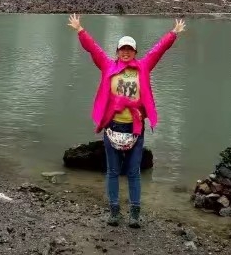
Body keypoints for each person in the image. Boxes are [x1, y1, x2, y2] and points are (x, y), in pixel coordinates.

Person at [68, 13, 186, 228]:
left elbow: (158, 50)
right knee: (113, 171)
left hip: (135, 128)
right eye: (122, 49)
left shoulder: (143, 67)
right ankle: (114, 212)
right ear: (117, 51)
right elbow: (93, 49)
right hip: (113, 126)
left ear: (135, 52)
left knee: (133, 172)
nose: (125, 52)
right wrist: (80, 30)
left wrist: (173, 34)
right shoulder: (108, 66)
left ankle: (134, 213)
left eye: (129, 49)